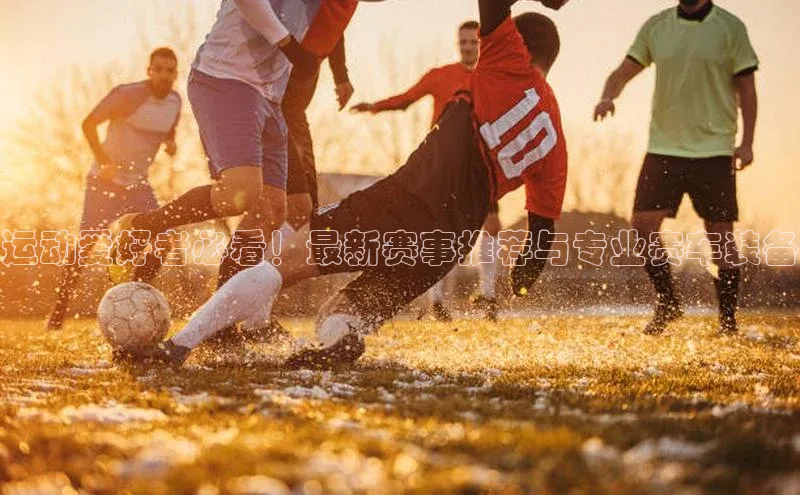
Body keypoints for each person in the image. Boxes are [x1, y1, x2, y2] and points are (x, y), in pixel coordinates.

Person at [134, 0, 570, 369]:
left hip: (407, 200)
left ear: (518, 45)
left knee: (281, 265)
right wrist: (525, 273)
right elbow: (540, 234)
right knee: (343, 311)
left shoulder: (508, 62)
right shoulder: (556, 139)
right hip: (452, 239)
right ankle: (341, 338)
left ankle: (179, 345)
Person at [107, 0, 319, 284]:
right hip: (227, 78)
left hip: (269, 96)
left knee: (274, 210)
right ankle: (141, 226)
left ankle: (225, 314)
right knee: (239, 192)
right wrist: (288, 44)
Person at [593, 0, 759, 335]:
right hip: (664, 147)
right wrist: (608, 96)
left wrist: (747, 142)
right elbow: (623, 72)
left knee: (720, 235)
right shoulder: (657, 26)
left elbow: (747, 89)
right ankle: (668, 301)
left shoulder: (730, 27)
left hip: (713, 150)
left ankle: (728, 322)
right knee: (642, 224)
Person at [351, 21, 502, 321]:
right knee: (441, 230)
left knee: (492, 224)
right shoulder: (441, 75)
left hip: (479, 164)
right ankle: (436, 301)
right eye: (464, 42)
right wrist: (375, 106)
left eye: (474, 42)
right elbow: (407, 98)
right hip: (441, 165)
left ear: (482, 44)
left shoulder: (492, 79)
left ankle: (488, 296)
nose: (468, 47)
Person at [217, 0, 360, 292]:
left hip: (294, 113)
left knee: (303, 213)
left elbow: (334, 23)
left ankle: (248, 307)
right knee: (278, 206)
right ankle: (228, 302)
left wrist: (341, 74)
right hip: (270, 106)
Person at [45, 47, 181, 330]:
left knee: (163, 241)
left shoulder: (175, 102)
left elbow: (168, 129)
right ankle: (58, 312)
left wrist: (170, 143)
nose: (165, 75)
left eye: (170, 70)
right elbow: (88, 124)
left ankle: (132, 294)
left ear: (175, 74)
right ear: (149, 71)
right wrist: (104, 161)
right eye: (159, 69)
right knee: (85, 245)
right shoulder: (128, 95)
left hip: (138, 186)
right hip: (104, 183)